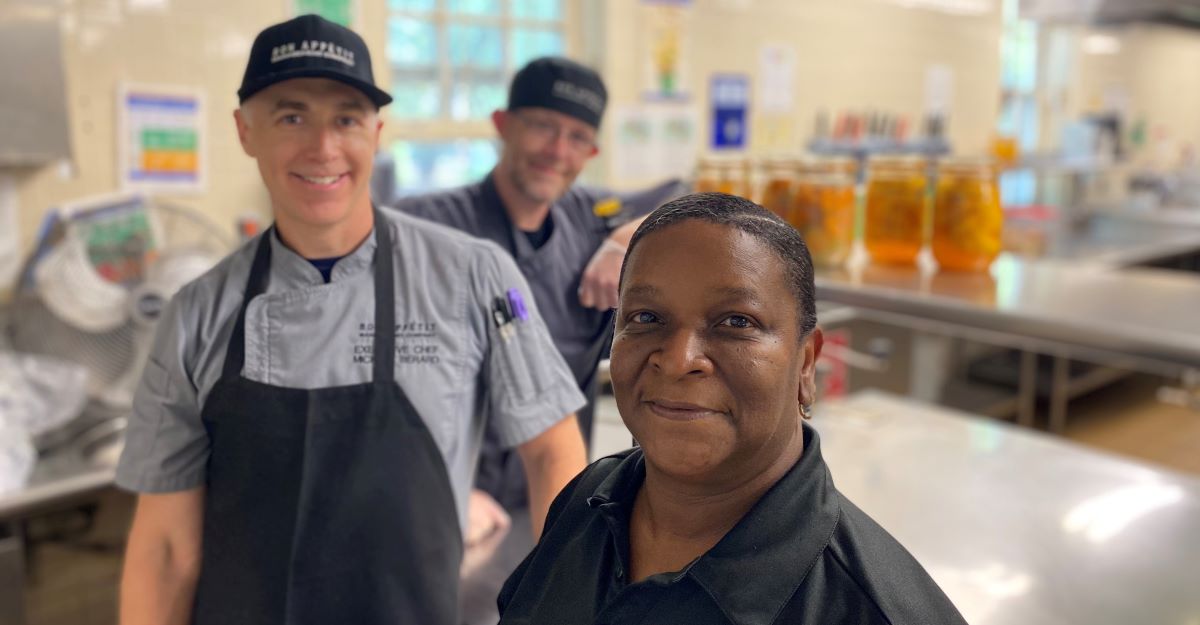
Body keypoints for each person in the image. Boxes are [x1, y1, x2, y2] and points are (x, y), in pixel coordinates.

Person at [115, 15, 587, 625]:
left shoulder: (474, 276)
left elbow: (553, 453)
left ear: (376, 132)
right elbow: (166, 549)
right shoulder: (197, 315)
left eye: (346, 118)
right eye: (291, 117)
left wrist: (559, 607)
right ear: (244, 130)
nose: (323, 148)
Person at [497, 192, 968, 625]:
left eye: (736, 322)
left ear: (806, 363)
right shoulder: (589, 500)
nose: (680, 360)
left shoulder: (870, 609)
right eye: (646, 318)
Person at [389, 58, 681, 620]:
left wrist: (630, 236)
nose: (557, 150)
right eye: (543, 126)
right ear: (502, 123)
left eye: (577, 137)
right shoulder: (425, 227)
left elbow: (697, 198)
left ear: (591, 154)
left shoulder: (595, 219)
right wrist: (444, 493)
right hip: (448, 517)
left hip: (554, 503)